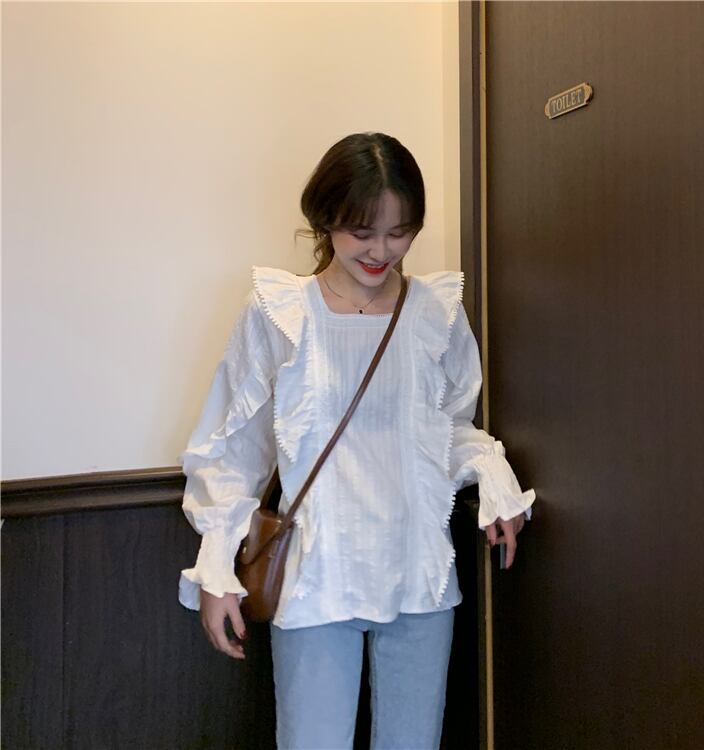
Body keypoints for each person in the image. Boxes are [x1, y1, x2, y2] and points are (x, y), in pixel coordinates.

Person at [178, 132, 536, 750]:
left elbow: (445, 431)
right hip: (316, 569)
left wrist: (491, 470)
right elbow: (233, 451)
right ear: (325, 218)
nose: (380, 251)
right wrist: (216, 567)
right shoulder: (281, 313)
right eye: (361, 231)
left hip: (417, 566)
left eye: (399, 233)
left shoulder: (435, 313)